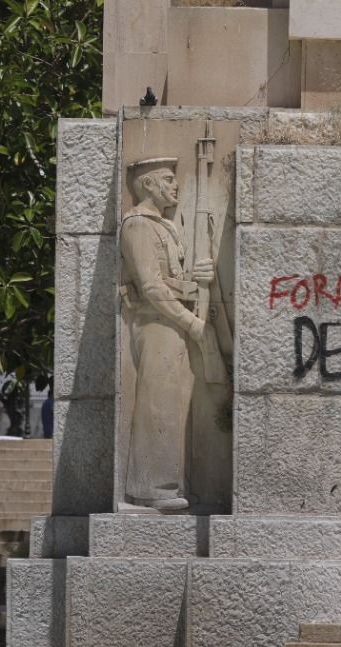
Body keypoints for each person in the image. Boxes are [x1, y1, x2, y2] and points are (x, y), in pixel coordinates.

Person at [119, 156, 215, 512]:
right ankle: (150, 488)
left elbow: (172, 278)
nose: (175, 185)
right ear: (147, 184)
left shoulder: (166, 225)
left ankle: (165, 485)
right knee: (156, 403)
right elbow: (151, 288)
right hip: (156, 323)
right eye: (168, 179)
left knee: (172, 403)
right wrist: (192, 324)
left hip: (172, 322)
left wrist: (197, 277)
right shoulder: (138, 225)